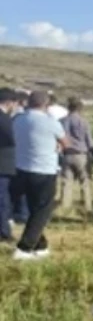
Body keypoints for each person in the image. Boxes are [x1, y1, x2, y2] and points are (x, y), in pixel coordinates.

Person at [10, 91, 69, 260]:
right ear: (46, 104)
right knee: (42, 210)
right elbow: (66, 142)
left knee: (33, 209)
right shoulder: (51, 122)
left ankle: (40, 245)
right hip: (43, 170)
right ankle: (24, 248)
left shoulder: (18, 119)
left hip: (21, 168)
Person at [59, 97, 93, 214]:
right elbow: (89, 140)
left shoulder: (62, 121)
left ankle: (65, 206)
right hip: (81, 154)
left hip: (67, 154)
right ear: (80, 109)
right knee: (85, 181)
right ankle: (87, 205)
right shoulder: (84, 121)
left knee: (66, 182)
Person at [0, 89, 17, 242]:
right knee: (3, 200)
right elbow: (13, 139)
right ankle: (4, 232)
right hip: (3, 164)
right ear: (9, 102)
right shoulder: (4, 119)